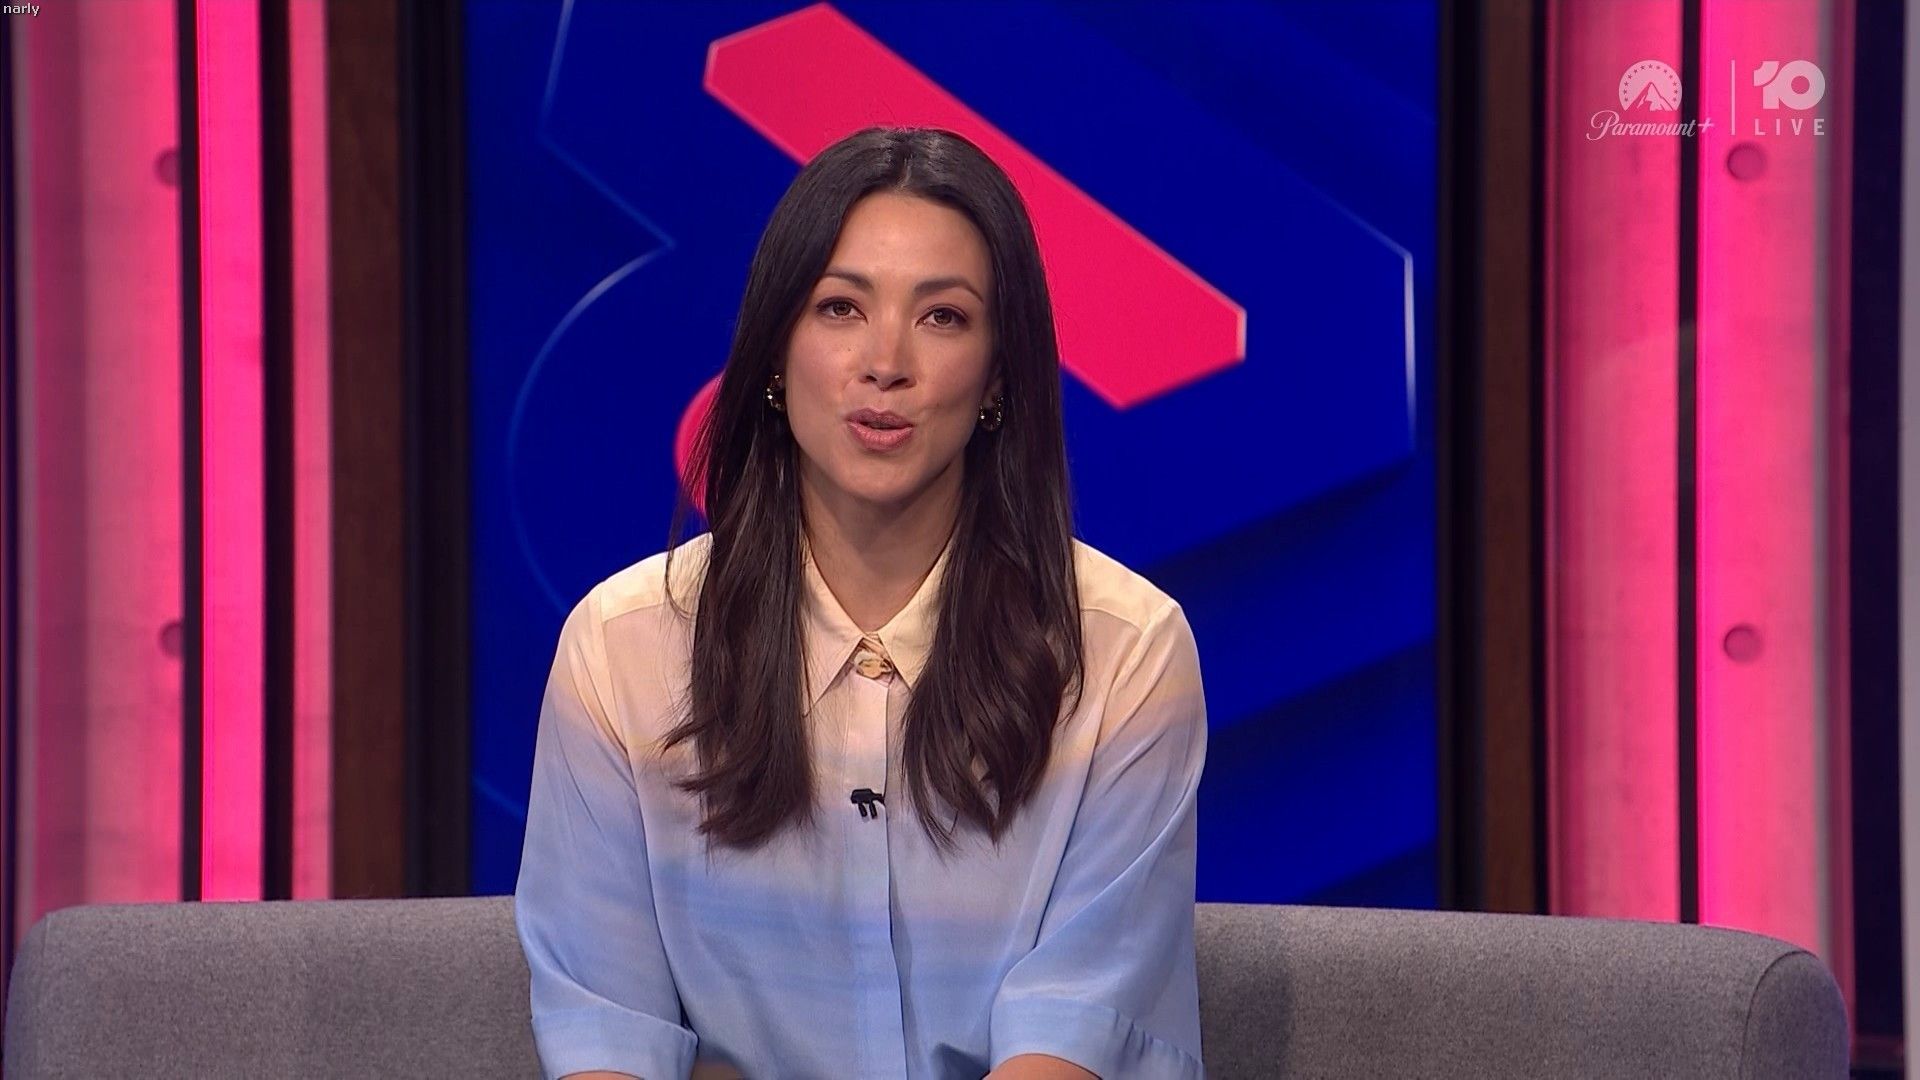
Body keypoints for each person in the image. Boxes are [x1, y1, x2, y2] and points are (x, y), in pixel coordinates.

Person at [514, 125, 1208, 1080]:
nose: (886, 362)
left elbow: (1075, 1042)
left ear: (998, 376)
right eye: (840, 307)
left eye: (943, 317)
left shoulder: (1125, 658)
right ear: (773, 353)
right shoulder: (620, 655)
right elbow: (607, 1039)